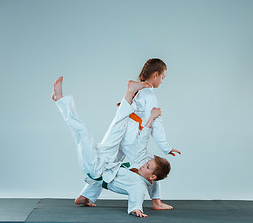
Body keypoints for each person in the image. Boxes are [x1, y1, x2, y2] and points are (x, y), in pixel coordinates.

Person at [52, 76, 171, 217]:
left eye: (147, 166)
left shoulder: (139, 186)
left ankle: (59, 100)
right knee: (118, 125)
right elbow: (142, 142)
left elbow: (136, 199)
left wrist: (136, 209)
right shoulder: (140, 166)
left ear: (152, 176)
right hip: (107, 161)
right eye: (147, 163)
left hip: (96, 168)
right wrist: (151, 118)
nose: (144, 164)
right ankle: (129, 92)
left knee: (83, 134)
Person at [76, 58, 181, 210]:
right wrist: (166, 147)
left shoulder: (138, 91)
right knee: (154, 165)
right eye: (163, 77)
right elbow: (156, 124)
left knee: (106, 165)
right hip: (132, 137)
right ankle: (156, 202)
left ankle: (85, 196)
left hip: (123, 130)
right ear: (156, 75)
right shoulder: (149, 94)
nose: (162, 81)